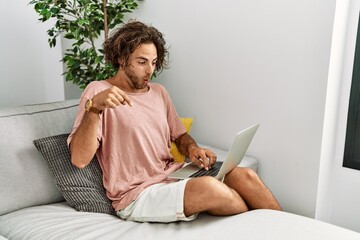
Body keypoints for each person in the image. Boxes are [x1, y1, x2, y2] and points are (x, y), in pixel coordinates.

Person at [68, 20, 281, 223]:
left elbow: (179, 135)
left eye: (153, 62)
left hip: (173, 175)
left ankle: (291, 231)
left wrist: (193, 149)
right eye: (142, 62)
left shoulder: (159, 92)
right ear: (122, 59)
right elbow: (79, 159)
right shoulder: (98, 92)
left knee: (245, 175)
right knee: (211, 188)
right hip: (138, 194)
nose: (150, 70)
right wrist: (94, 109)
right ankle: (263, 225)